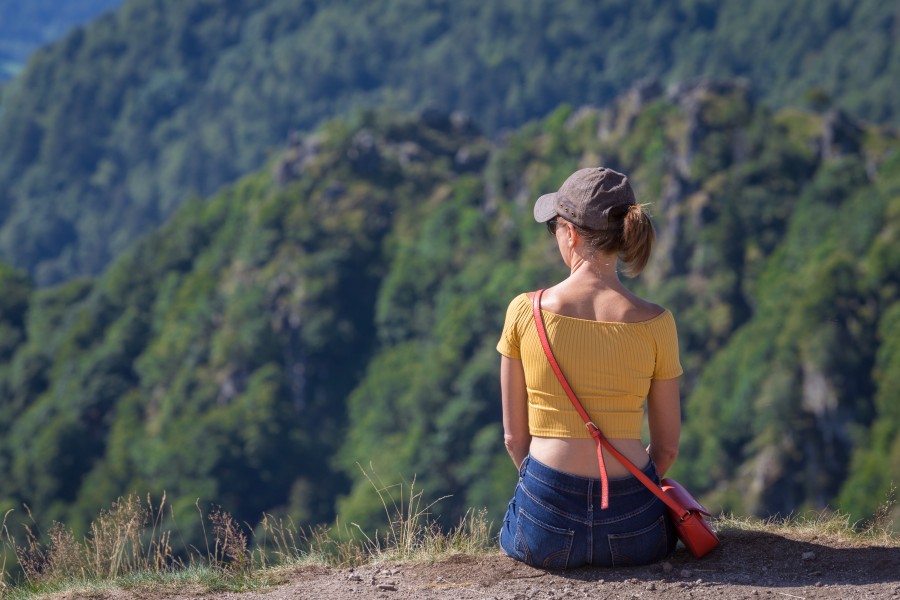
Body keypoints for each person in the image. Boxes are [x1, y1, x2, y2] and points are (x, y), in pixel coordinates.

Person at [496, 167, 682, 568]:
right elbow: (666, 448)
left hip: (545, 515)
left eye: (554, 229)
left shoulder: (525, 312)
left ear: (572, 234)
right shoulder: (657, 323)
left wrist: (549, 493)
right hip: (634, 523)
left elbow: (514, 438)